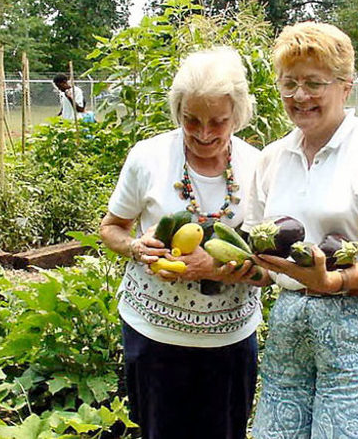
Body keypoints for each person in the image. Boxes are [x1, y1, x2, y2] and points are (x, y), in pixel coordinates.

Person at [244, 22, 358, 438]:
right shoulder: (273, 158)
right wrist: (224, 267)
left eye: (314, 83)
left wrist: (335, 280)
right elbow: (265, 259)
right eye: (289, 83)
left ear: (345, 86)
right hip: (292, 329)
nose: (300, 96)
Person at [99, 46, 261, 439]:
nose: (204, 133)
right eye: (191, 120)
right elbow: (111, 228)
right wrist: (136, 247)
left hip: (230, 338)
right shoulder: (148, 157)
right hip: (155, 336)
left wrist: (221, 269)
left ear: (237, 115)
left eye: (218, 121)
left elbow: (270, 266)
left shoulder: (259, 166)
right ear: (178, 112)